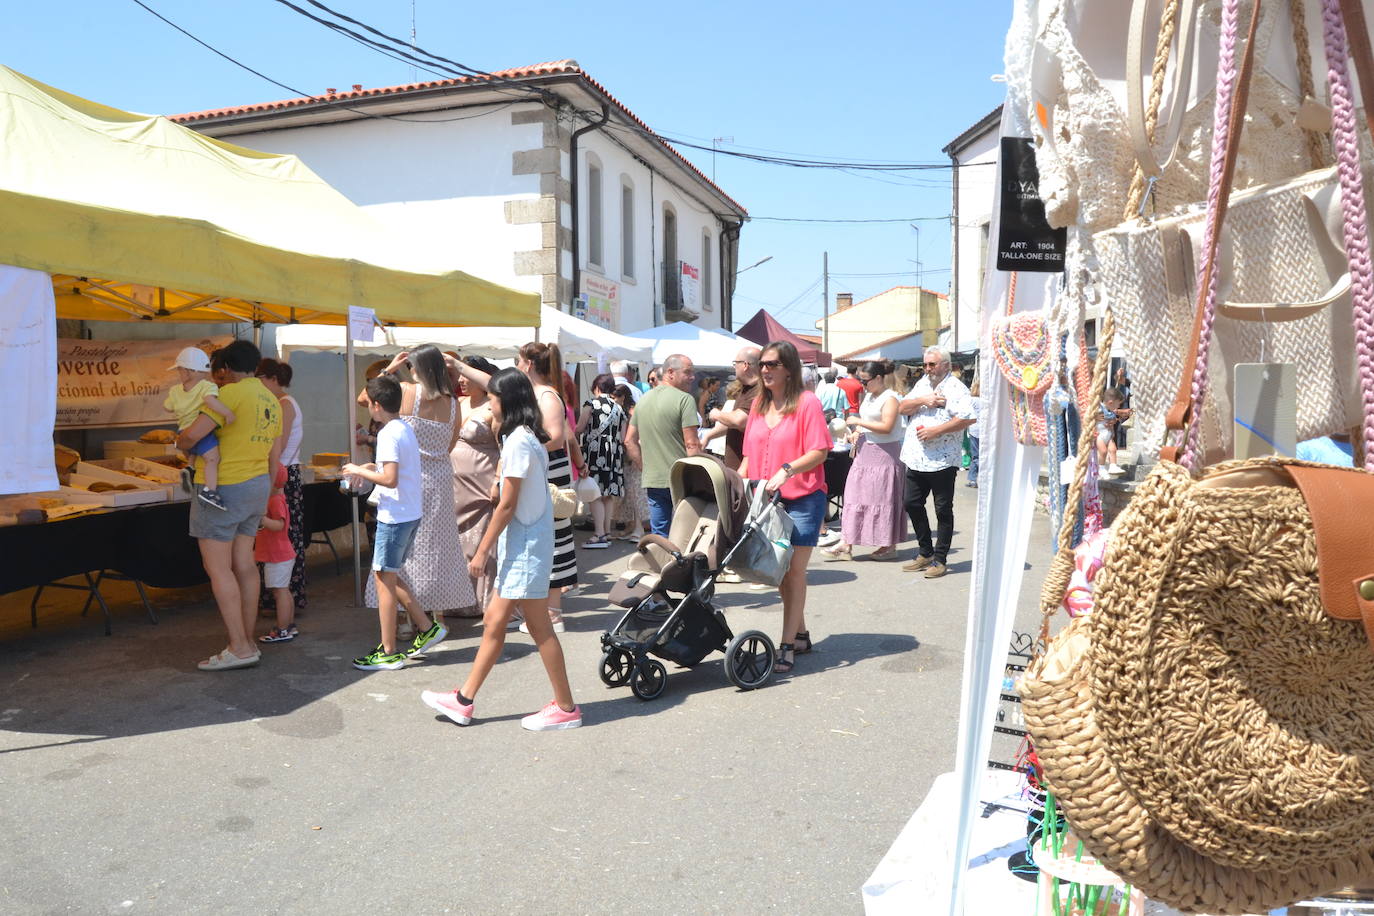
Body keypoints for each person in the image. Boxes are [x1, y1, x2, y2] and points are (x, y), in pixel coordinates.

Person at [419, 368, 582, 731]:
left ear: (506, 401)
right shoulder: (523, 437)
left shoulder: (519, 441)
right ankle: (464, 699)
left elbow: (507, 505)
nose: (489, 404)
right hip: (524, 546)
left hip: (526, 547)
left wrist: (481, 552)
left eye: (492, 398)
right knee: (496, 622)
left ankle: (566, 707)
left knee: (538, 628)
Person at [178, 339, 281, 671]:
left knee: (219, 568)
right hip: (256, 485)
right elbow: (275, 457)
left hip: (222, 487)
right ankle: (247, 642)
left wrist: (180, 440)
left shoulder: (230, 394)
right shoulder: (271, 398)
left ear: (225, 368)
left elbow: (192, 435)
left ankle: (239, 646)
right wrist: (265, 494)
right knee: (245, 565)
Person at [342, 375, 449, 669]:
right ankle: (426, 627)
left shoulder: (389, 432)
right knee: (388, 574)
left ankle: (388, 651)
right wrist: (369, 466)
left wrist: (358, 471)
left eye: (369, 404)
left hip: (396, 515)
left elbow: (389, 479)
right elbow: (394, 469)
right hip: (408, 512)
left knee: (384, 580)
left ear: (376, 405)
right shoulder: (403, 427)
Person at [739, 341, 832, 675]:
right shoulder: (758, 405)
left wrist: (788, 469)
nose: (764, 370)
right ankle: (801, 634)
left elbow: (820, 451)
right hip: (767, 500)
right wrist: (734, 488)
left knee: (793, 571)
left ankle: (787, 645)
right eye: (762, 364)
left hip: (804, 497)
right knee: (779, 569)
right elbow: (748, 457)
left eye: (772, 364)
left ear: (789, 369)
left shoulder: (807, 403)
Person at [362, 346, 475, 620]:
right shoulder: (453, 404)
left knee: (403, 549)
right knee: (437, 548)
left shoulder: (406, 392)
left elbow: (365, 398)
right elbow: (450, 445)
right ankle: (437, 616)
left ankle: (404, 618)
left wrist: (388, 369)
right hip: (440, 481)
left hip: (407, 478)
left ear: (417, 368)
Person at [898, 346, 975, 579]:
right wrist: (923, 400)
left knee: (943, 510)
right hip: (916, 457)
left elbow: (967, 418)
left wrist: (936, 431)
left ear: (946, 365)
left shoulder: (957, 388)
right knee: (911, 503)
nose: (927, 369)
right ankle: (925, 552)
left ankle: (940, 560)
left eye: (932, 364)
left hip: (942, 460)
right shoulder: (922, 384)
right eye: (925, 365)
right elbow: (902, 407)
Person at [517, 341, 578, 631]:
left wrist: (523, 443)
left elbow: (555, 437)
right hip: (543, 469)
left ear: (529, 363)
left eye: (519, 361)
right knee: (542, 537)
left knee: (554, 538)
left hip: (549, 471)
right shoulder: (538, 393)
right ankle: (545, 611)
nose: (517, 366)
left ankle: (553, 613)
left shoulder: (547, 396)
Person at [823, 360, 906, 561]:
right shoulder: (869, 396)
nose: (862, 384)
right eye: (861, 380)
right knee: (854, 495)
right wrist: (857, 431)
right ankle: (846, 543)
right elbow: (868, 422)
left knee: (882, 499)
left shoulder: (890, 398)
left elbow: (886, 426)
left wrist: (859, 422)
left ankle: (888, 545)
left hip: (884, 454)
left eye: (866, 381)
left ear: (878, 378)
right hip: (865, 451)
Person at [625, 353, 702, 537]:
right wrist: (700, 477)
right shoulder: (685, 399)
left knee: (660, 535)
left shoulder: (643, 400)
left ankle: (663, 556)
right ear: (670, 372)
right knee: (686, 534)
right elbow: (692, 444)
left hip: (654, 479)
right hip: (682, 479)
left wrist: (645, 467)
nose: (692, 377)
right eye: (688, 372)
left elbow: (629, 441)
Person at [448, 355, 501, 618]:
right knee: (458, 542)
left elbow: (503, 447)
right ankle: (459, 600)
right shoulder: (457, 403)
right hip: (455, 484)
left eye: (466, 375)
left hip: (483, 484)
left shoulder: (494, 406)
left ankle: (484, 601)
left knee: (481, 539)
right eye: (459, 376)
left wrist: (498, 481)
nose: (461, 380)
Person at [255, 358, 307, 613]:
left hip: (282, 475)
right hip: (278, 472)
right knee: (274, 539)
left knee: (284, 537)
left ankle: (286, 597)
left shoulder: (285, 404)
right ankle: (275, 598)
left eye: (261, 380)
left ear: (273, 379)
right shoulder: (278, 403)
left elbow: (280, 444)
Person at [164, 346, 236, 510]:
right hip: (200, 430)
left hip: (183, 430)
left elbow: (167, 407)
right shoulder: (206, 386)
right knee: (213, 459)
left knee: (195, 452)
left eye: (179, 370)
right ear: (196, 371)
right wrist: (227, 413)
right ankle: (210, 491)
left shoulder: (175, 390)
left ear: (187, 371)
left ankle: (190, 467)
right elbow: (210, 401)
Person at [576, 373, 627, 548]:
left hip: (595, 454)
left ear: (597, 387)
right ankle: (607, 532)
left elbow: (580, 427)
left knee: (595, 494)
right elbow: (623, 437)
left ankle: (598, 534)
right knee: (608, 495)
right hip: (614, 456)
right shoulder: (619, 408)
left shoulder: (591, 404)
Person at [256, 465, 298, 644]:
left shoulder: (274, 501)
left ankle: (282, 629)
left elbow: (280, 525)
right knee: (284, 591)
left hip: (277, 555)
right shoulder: (277, 498)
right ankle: (289, 625)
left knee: (280, 592)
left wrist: (262, 520)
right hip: (280, 554)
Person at [708, 346, 762, 472]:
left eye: (735, 363)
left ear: (745, 365)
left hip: (746, 470)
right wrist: (708, 436)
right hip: (737, 466)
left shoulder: (759, 391)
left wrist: (716, 414)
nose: (734, 367)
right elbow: (731, 423)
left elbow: (740, 421)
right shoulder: (745, 389)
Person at [612, 384, 649, 540]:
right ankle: (632, 525)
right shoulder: (623, 411)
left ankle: (638, 527)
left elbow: (636, 437)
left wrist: (637, 456)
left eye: (614, 397)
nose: (612, 400)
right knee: (628, 493)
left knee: (635, 493)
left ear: (623, 397)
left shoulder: (633, 412)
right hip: (626, 456)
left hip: (633, 454)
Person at [1097, 388, 1131, 479]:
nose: (1119, 407)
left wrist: (1114, 421)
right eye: (1118, 404)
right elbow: (1090, 416)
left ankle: (1113, 466)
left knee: (1113, 450)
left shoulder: (1110, 410)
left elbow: (1114, 416)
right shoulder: (1098, 408)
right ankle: (1101, 468)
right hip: (1099, 434)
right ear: (1111, 403)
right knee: (1103, 451)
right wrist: (1095, 417)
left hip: (1108, 434)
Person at [967, 379, 985, 488]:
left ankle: (974, 479)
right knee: (980, 455)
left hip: (973, 429)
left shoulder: (971, 400)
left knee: (975, 456)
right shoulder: (985, 401)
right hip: (984, 430)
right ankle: (973, 478)